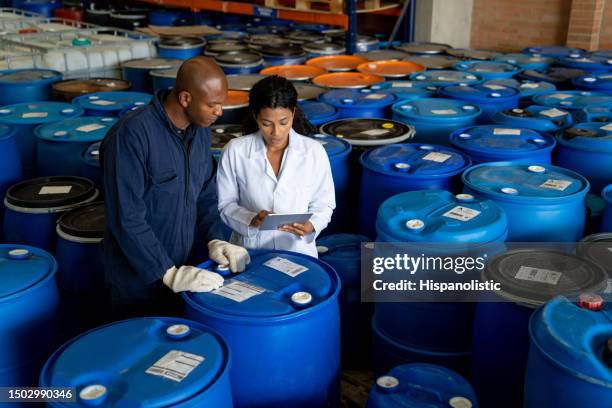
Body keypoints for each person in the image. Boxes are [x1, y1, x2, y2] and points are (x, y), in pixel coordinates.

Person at [101, 57, 250, 319]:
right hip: (139, 281)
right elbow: (127, 217)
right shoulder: (131, 137)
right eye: (212, 105)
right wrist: (167, 272)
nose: (220, 112)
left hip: (189, 272)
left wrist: (216, 239)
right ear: (185, 99)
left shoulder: (200, 132)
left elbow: (205, 194)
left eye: (222, 104)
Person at [216, 75, 335, 257]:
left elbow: (324, 205)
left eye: (283, 122)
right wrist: (252, 219)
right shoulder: (235, 151)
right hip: (250, 251)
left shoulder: (313, 152)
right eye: (266, 124)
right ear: (255, 116)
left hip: (298, 251)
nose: (276, 132)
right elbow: (225, 205)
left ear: (293, 113)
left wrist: (311, 225)